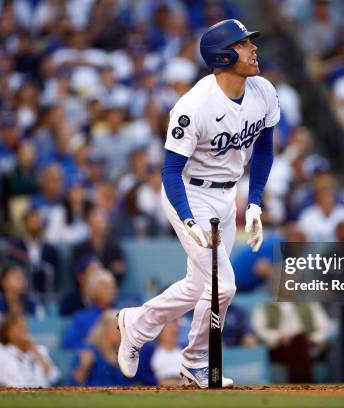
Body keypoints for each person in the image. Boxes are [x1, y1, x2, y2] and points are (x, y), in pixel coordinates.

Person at [116, 19, 278, 389]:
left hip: (227, 194)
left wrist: (254, 202)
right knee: (223, 286)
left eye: (250, 41)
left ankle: (136, 323)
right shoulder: (194, 106)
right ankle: (195, 362)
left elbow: (265, 148)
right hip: (189, 192)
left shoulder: (263, 91)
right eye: (243, 44)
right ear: (222, 56)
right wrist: (188, 219)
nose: (253, 49)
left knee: (197, 285)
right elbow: (170, 171)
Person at [0, 313, 60, 387]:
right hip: (11, 395)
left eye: (24, 325)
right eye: (18, 326)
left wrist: (34, 350)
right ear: (6, 332)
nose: (23, 329)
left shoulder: (40, 349)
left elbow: (54, 377)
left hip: (42, 394)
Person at [72, 309, 132, 386]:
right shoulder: (89, 351)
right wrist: (83, 367)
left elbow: (131, 383)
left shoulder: (125, 352)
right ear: (104, 329)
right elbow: (76, 383)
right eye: (118, 328)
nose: (121, 332)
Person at [150, 320, 183, 386]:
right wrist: (158, 382)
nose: (174, 329)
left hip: (183, 386)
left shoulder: (185, 349)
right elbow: (142, 373)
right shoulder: (149, 350)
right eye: (170, 328)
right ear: (160, 332)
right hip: (157, 387)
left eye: (176, 328)